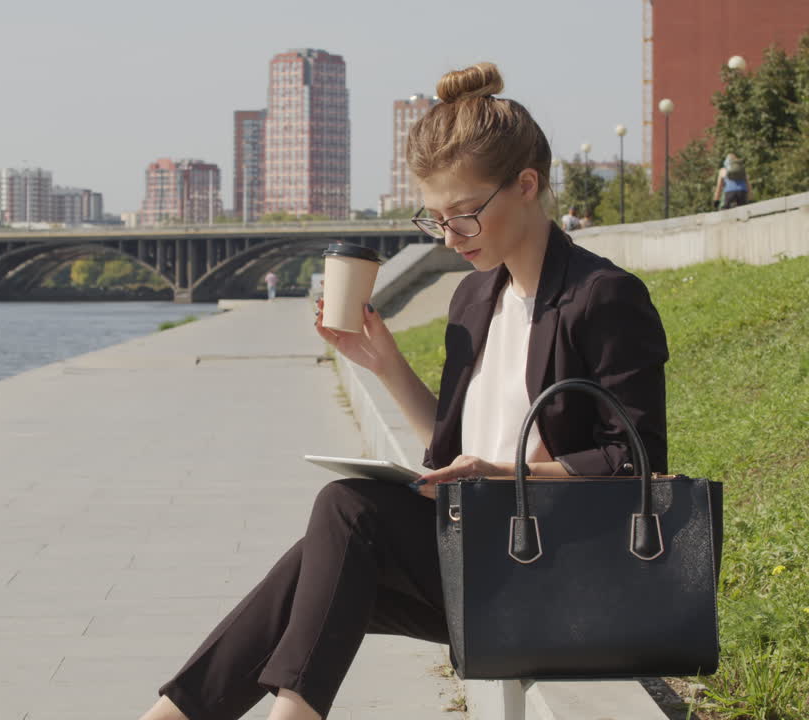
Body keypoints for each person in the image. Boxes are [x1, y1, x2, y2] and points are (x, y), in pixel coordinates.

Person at [140, 61, 669, 720]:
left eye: (465, 216)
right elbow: (449, 448)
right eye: (435, 219)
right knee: (318, 565)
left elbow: (635, 462)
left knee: (347, 509)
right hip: (486, 554)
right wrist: (383, 364)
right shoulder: (475, 297)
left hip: (561, 567)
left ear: (526, 185)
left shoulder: (601, 297)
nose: (449, 238)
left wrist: (508, 475)